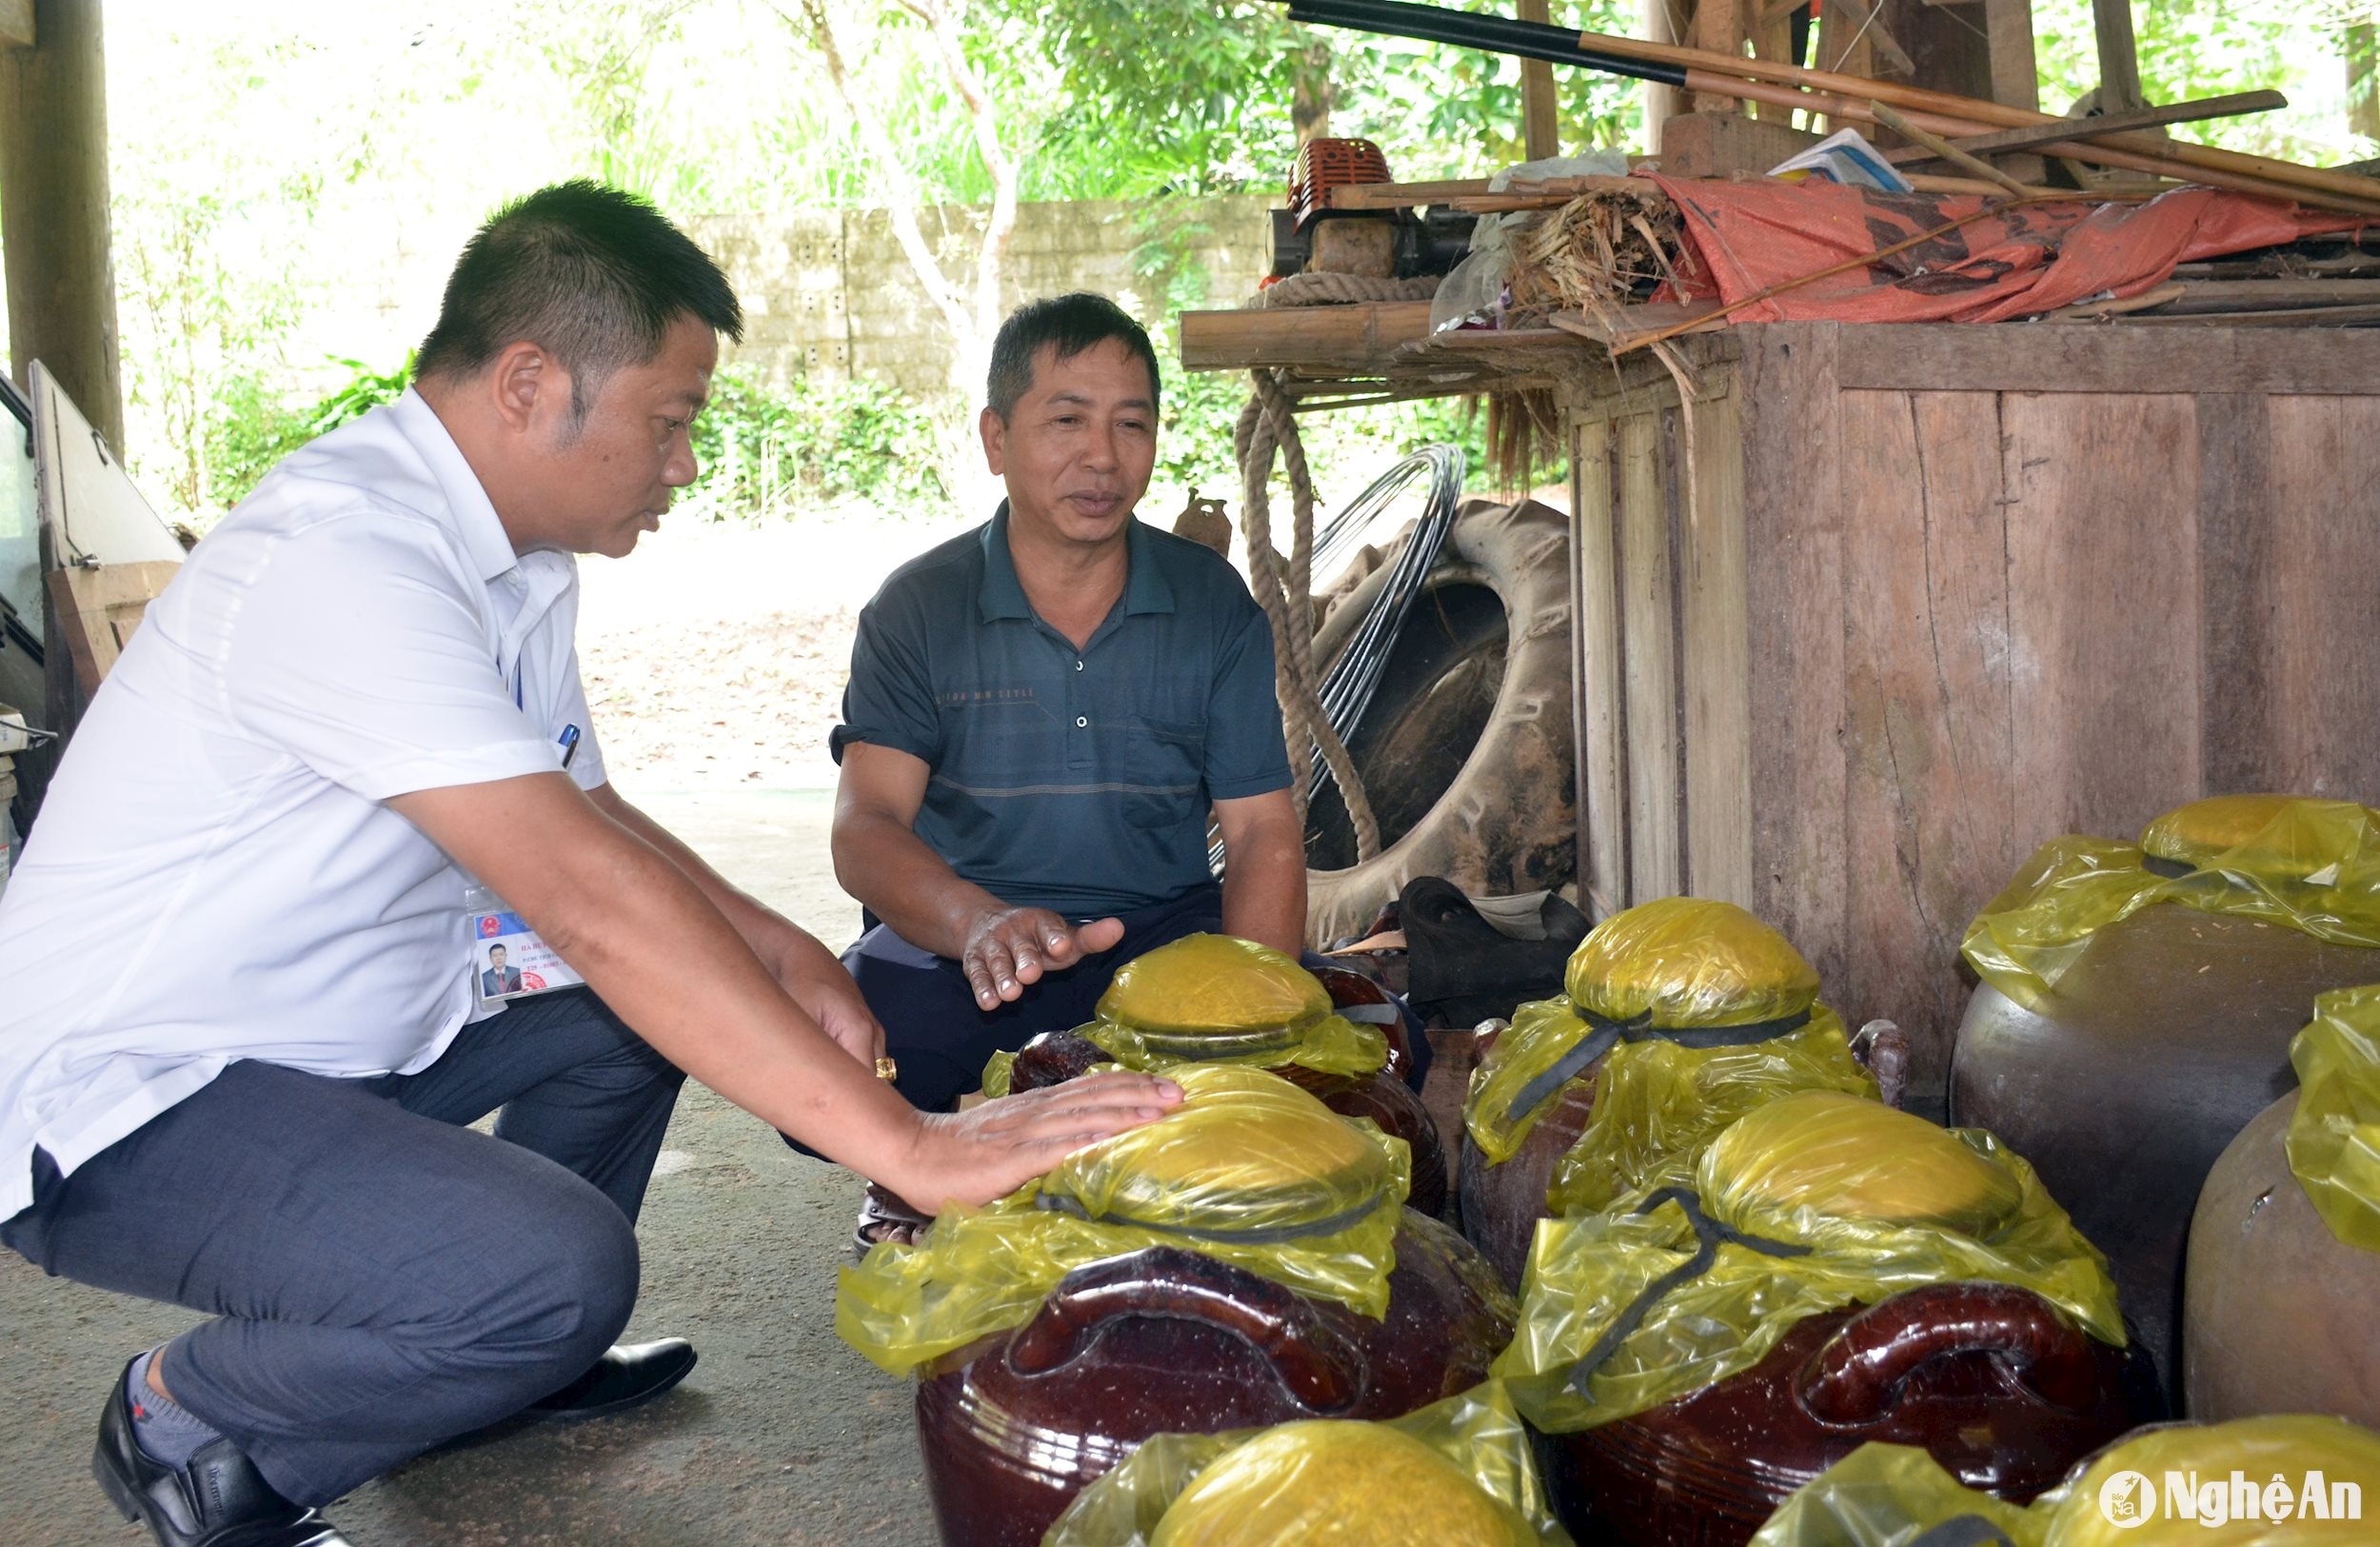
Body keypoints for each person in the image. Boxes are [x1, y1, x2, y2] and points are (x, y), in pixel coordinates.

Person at [0, 184, 1175, 1547]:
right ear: (529, 383)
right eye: (669, 421)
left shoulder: (516, 558)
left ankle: (491, 1364)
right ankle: (196, 1421)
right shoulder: (347, 557)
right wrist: (913, 1147)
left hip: (331, 1037)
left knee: (634, 1019)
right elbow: (580, 892)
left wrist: (784, 952)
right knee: (563, 1269)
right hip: (125, 1098)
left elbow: (589, 812)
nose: (684, 463)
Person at [827, 293, 1315, 1240]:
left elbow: (1261, 830)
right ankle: (920, 1165)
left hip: (1160, 932)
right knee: (839, 1040)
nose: (1102, 457)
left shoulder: (1209, 601)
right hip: (966, 941)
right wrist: (980, 922)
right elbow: (866, 826)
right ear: (995, 438)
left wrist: (1255, 1014)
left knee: (1366, 1039)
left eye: (1131, 424)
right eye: (1066, 420)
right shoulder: (918, 607)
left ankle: (1127, 1152)